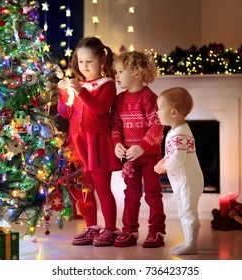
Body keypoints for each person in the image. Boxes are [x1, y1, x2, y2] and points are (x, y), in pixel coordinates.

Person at [57, 37, 122, 246]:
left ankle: (110, 228)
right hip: (78, 144)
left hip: (98, 143)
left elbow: (100, 108)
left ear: (102, 60)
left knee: (102, 188)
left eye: (89, 61)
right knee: (85, 188)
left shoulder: (107, 85)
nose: (84, 66)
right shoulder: (78, 85)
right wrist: (62, 93)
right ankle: (91, 227)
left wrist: (80, 91)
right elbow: (66, 113)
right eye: (81, 61)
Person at [111, 51, 166, 248]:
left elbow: (157, 127)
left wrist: (141, 147)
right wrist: (117, 144)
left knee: (152, 193)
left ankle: (156, 230)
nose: (116, 75)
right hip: (129, 157)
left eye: (119, 71)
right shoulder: (119, 99)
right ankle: (130, 230)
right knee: (131, 194)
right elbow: (115, 126)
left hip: (150, 156)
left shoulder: (149, 98)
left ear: (136, 71)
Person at [154, 87, 204, 255]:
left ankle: (192, 244)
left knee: (188, 211)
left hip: (187, 180)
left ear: (173, 112)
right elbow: (173, 154)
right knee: (184, 210)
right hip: (183, 179)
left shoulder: (179, 134)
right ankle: (188, 241)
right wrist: (163, 160)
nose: (157, 112)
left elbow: (178, 159)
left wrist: (163, 166)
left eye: (160, 108)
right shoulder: (177, 131)